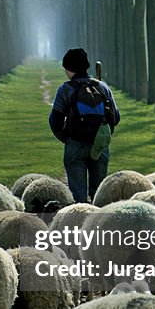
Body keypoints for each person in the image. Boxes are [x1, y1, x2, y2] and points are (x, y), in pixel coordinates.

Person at [49, 48, 120, 204]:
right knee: (99, 195)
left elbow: (55, 121)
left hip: (75, 144)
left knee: (77, 196)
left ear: (69, 68)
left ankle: (79, 223)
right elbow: (116, 117)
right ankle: (99, 225)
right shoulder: (102, 87)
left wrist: (67, 138)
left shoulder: (65, 89)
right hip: (100, 145)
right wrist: (102, 134)